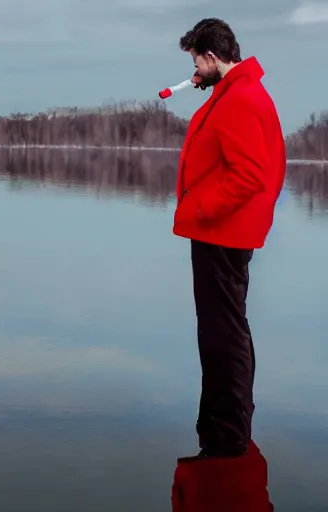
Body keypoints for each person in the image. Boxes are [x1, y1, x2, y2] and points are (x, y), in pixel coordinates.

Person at [172, 18, 286, 458]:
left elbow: (251, 175)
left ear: (213, 56)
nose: (195, 69)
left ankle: (229, 435)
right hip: (226, 231)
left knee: (224, 333)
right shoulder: (237, 92)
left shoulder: (240, 99)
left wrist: (201, 209)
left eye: (198, 60)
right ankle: (224, 424)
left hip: (221, 231)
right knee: (226, 328)